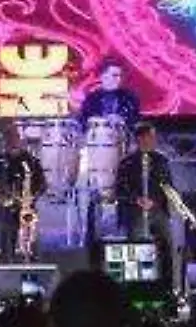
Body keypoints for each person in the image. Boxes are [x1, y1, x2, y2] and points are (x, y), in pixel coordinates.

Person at [113, 123, 187, 296]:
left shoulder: (161, 160)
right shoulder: (127, 163)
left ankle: (169, 287)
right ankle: (137, 288)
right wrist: (137, 200)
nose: (154, 140)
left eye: (154, 137)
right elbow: (119, 191)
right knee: (139, 251)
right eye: (150, 137)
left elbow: (167, 185)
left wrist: (172, 202)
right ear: (141, 138)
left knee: (167, 247)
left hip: (158, 211)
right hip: (136, 213)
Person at [0, 125, 46, 262]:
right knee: (7, 249)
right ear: (4, 141)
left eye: (16, 138)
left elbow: (42, 185)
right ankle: (7, 266)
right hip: (6, 211)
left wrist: (31, 197)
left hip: (27, 211)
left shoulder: (32, 162)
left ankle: (31, 265)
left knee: (30, 248)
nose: (13, 141)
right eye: (10, 138)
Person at [77, 60, 141, 129]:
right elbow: (82, 121)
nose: (119, 79)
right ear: (103, 76)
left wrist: (123, 120)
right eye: (115, 76)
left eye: (121, 76)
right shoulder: (91, 99)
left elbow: (136, 121)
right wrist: (94, 121)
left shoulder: (130, 98)